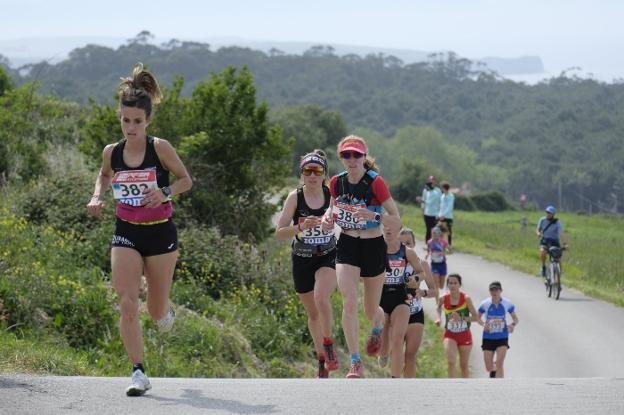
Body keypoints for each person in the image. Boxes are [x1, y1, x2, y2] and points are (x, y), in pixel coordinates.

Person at [86, 63, 192, 396]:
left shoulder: (160, 148)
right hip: (126, 232)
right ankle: (138, 371)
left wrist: (165, 192)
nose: (130, 127)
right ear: (119, 117)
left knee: (156, 310)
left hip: (161, 234)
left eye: (137, 121)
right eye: (125, 120)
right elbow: (104, 175)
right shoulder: (112, 152)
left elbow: (186, 180)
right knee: (128, 302)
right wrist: (97, 195)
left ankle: (166, 310)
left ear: (147, 121)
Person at [321, 135, 401, 378]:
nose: (352, 159)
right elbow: (332, 208)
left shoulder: (376, 183)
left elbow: (397, 221)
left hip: (373, 244)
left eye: (356, 155)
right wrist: (327, 218)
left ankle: (377, 327)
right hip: (346, 244)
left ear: (364, 157)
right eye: (347, 155)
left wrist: (372, 216)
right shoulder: (336, 182)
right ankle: (355, 362)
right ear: (341, 158)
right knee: (348, 301)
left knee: (370, 309)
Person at [275, 150, 339, 378]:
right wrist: (300, 227)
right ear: (301, 174)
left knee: (322, 298)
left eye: (317, 171)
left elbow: (346, 219)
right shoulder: (295, 197)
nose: (312, 175)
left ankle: (329, 345)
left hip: (327, 256)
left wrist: (331, 225)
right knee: (313, 315)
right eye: (307, 171)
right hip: (302, 258)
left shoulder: (331, 194)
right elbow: (280, 233)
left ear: (324, 174)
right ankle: (321, 358)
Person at [378, 228, 438, 377]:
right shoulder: (392, 259)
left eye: (409, 243)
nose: (406, 246)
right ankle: (393, 372)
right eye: (403, 243)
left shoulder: (422, 264)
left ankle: (407, 385)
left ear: (415, 243)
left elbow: (434, 291)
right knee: (394, 347)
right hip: (394, 309)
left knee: (410, 355)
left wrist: (422, 292)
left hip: (414, 313)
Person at [435, 273, 479, 378]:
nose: (452, 285)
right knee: (451, 362)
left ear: (459, 285)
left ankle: (465, 388)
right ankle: (451, 387)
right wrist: (438, 318)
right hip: (450, 335)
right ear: (447, 285)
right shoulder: (443, 298)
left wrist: (462, 318)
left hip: (464, 335)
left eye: (455, 283)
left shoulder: (466, 299)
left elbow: (476, 317)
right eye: (450, 283)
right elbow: (438, 308)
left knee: (464, 365)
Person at [477, 281, 519, 378]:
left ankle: (500, 386)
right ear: (489, 291)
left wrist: (512, 325)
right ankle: (493, 372)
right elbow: (477, 318)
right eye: (492, 290)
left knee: (499, 364)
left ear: (501, 291)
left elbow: (516, 319)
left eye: (496, 289)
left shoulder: (507, 303)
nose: (494, 292)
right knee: (489, 367)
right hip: (488, 337)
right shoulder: (485, 304)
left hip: (502, 336)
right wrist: (484, 324)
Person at [536, 205, 568, 278]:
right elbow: (538, 229)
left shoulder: (557, 223)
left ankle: (559, 278)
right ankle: (543, 267)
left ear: (553, 214)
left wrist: (565, 243)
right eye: (547, 212)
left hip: (554, 242)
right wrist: (538, 233)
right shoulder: (542, 220)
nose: (548, 214)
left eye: (549, 213)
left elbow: (561, 233)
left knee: (558, 258)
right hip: (545, 240)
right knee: (543, 252)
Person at [415, 175, 441, 242]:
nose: (431, 181)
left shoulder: (438, 191)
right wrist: (422, 211)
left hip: (435, 213)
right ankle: (428, 243)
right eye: (430, 180)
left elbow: (439, 202)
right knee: (428, 229)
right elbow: (424, 201)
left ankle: (435, 243)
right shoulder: (425, 190)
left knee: (434, 229)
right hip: (427, 212)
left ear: (435, 181)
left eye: (433, 179)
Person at [426, 226, 452, 291]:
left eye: (436, 233)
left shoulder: (443, 242)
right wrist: (427, 254)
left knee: (441, 286)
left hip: (442, 264)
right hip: (434, 264)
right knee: (436, 284)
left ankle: (439, 293)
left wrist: (443, 253)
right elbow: (429, 250)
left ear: (439, 234)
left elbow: (451, 252)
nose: (434, 235)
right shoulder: (429, 242)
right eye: (433, 233)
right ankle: (437, 299)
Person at [438, 181, 455, 246]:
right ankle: (440, 243)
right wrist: (440, 215)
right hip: (441, 216)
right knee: (440, 230)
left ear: (444, 188)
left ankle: (449, 244)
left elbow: (449, 207)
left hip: (448, 217)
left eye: (441, 187)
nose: (441, 189)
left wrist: (444, 215)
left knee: (448, 231)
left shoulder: (451, 196)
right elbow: (441, 206)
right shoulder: (442, 196)